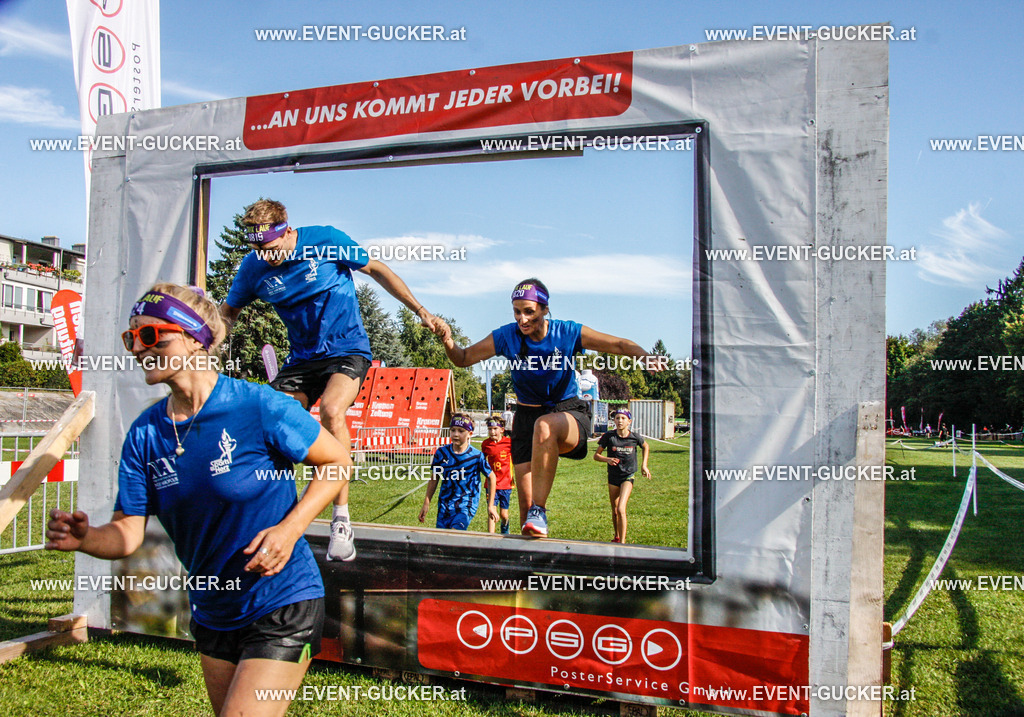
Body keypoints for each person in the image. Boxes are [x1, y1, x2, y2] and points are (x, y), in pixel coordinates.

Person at [47, 283, 348, 717]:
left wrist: (289, 530)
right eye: (131, 338)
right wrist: (87, 538)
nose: (138, 348)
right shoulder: (145, 434)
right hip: (212, 612)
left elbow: (337, 461)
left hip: (283, 599)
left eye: (151, 335)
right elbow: (127, 533)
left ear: (193, 338)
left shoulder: (257, 405)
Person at [220, 199, 448, 562]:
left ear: (288, 231)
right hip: (302, 360)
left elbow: (377, 269)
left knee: (331, 410)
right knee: (270, 422)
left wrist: (421, 310)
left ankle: (341, 519)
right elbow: (228, 312)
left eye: (272, 248)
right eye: (259, 250)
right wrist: (206, 344)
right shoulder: (253, 267)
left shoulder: (325, 240)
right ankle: (273, 511)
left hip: (347, 349)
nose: (266, 257)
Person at [438, 278, 660, 537]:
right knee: (526, 516)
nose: (522, 319)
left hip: (566, 412)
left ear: (545, 309)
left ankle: (540, 509)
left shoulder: (567, 332)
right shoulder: (506, 336)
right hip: (525, 418)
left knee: (545, 427)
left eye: (529, 311)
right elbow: (463, 358)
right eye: (517, 312)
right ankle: (530, 550)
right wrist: (447, 339)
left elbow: (618, 344)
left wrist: (645, 356)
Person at [418, 414, 497, 531]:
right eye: (453, 430)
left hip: (466, 504)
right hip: (445, 504)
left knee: (454, 534)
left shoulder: (476, 456)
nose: (455, 434)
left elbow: (491, 477)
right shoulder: (441, 453)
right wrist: (426, 503)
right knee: (442, 538)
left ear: (470, 434)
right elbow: (434, 478)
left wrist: (491, 506)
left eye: (461, 431)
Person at [594, 409, 651, 544]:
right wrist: (607, 459)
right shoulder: (609, 436)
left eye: (623, 418)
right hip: (613, 476)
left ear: (629, 421)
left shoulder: (634, 437)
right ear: (614, 421)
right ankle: (617, 537)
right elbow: (596, 456)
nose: (620, 421)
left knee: (621, 508)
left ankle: (623, 543)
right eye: (617, 418)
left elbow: (646, 446)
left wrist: (644, 465)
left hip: (628, 476)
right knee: (615, 511)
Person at [481, 415, 514, 534]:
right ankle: (491, 538)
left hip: (506, 484)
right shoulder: (486, 444)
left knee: (504, 515)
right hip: (491, 485)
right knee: (491, 512)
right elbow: (482, 461)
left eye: (495, 429)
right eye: (490, 429)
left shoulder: (509, 443)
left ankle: (505, 532)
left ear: (502, 430)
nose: (492, 432)